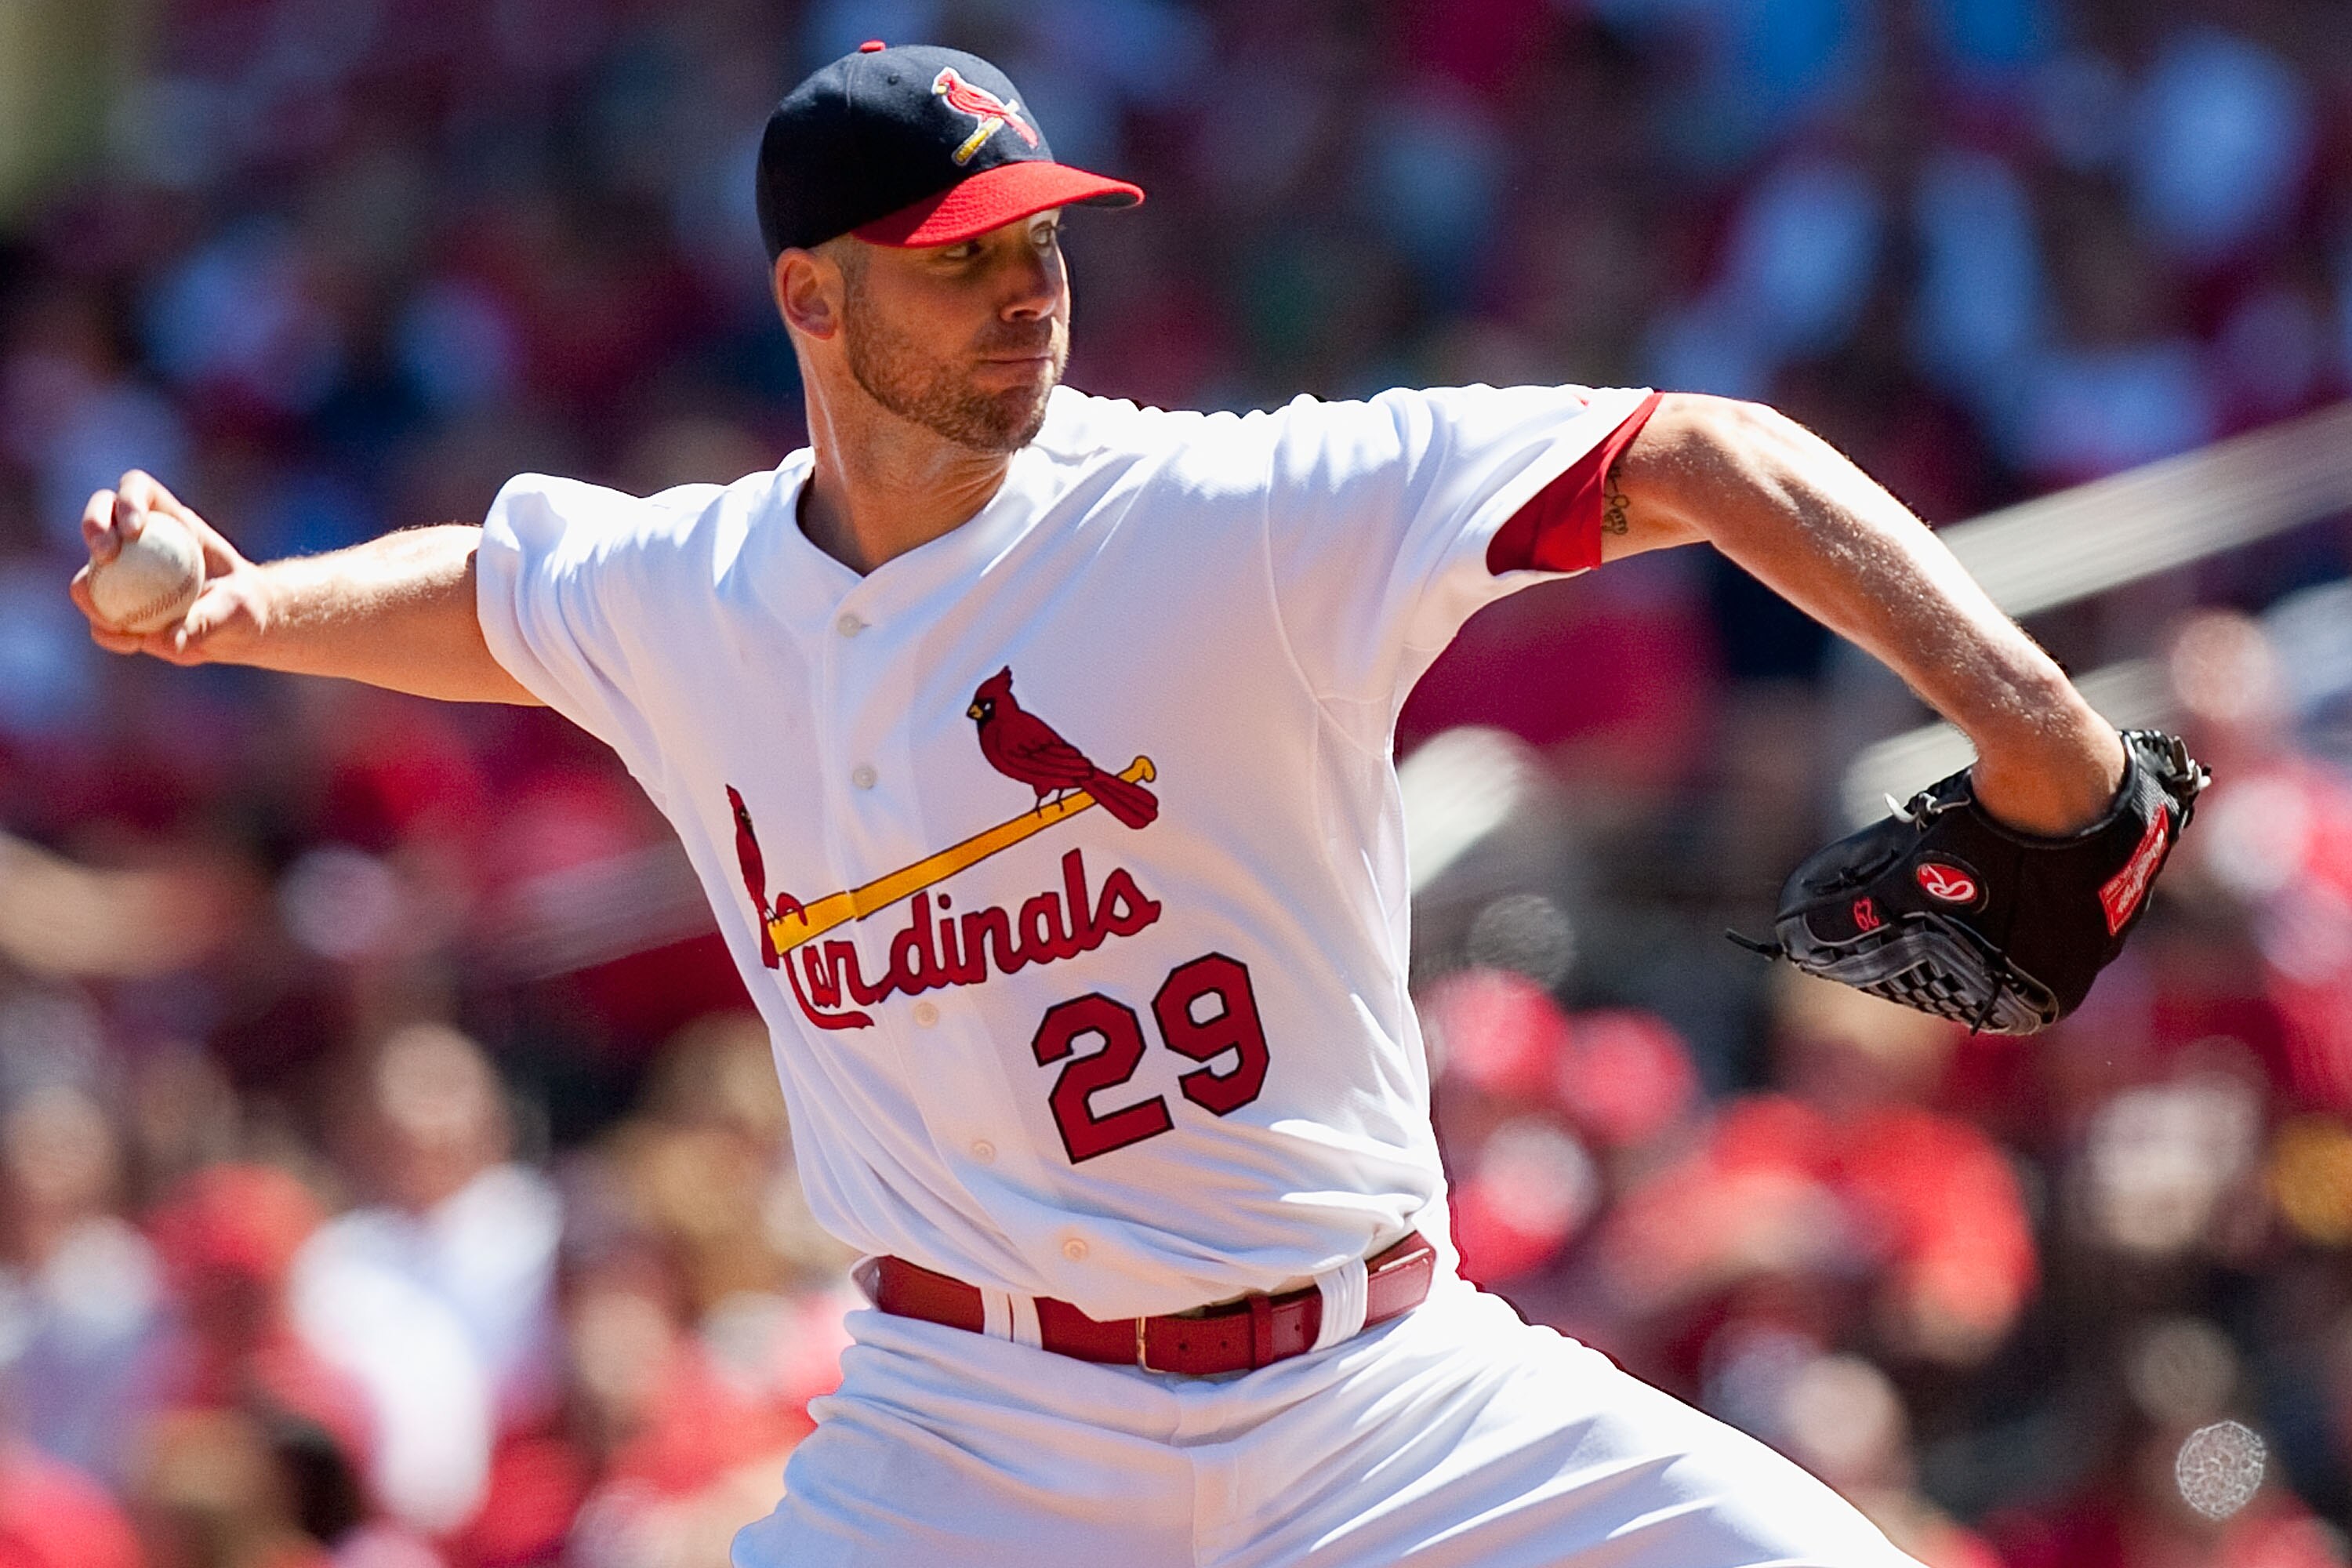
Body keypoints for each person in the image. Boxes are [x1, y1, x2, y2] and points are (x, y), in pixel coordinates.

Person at [70, 41, 2127, 1568]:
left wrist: (2038, 726)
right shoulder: (689, 591)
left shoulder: (1220, 516)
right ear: (811, 300)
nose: (1027, 284)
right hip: (963, 1443)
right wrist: (236, 609)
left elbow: (1702, 448)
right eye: (960, 256)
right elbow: (495, 594)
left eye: (1039, 234)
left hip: (1375, 1400)